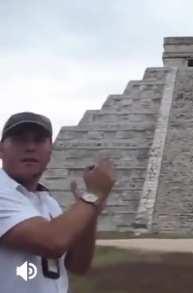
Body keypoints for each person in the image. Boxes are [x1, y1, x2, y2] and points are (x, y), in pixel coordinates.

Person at [0, 112, 115, 292]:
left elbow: (78, 266)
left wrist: (90, 214)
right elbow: (52, 242)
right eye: (19, 139)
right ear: (1, 150)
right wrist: (92, 195)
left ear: (50, 152)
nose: (30, 147)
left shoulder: (48, 201)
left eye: (39, 140)